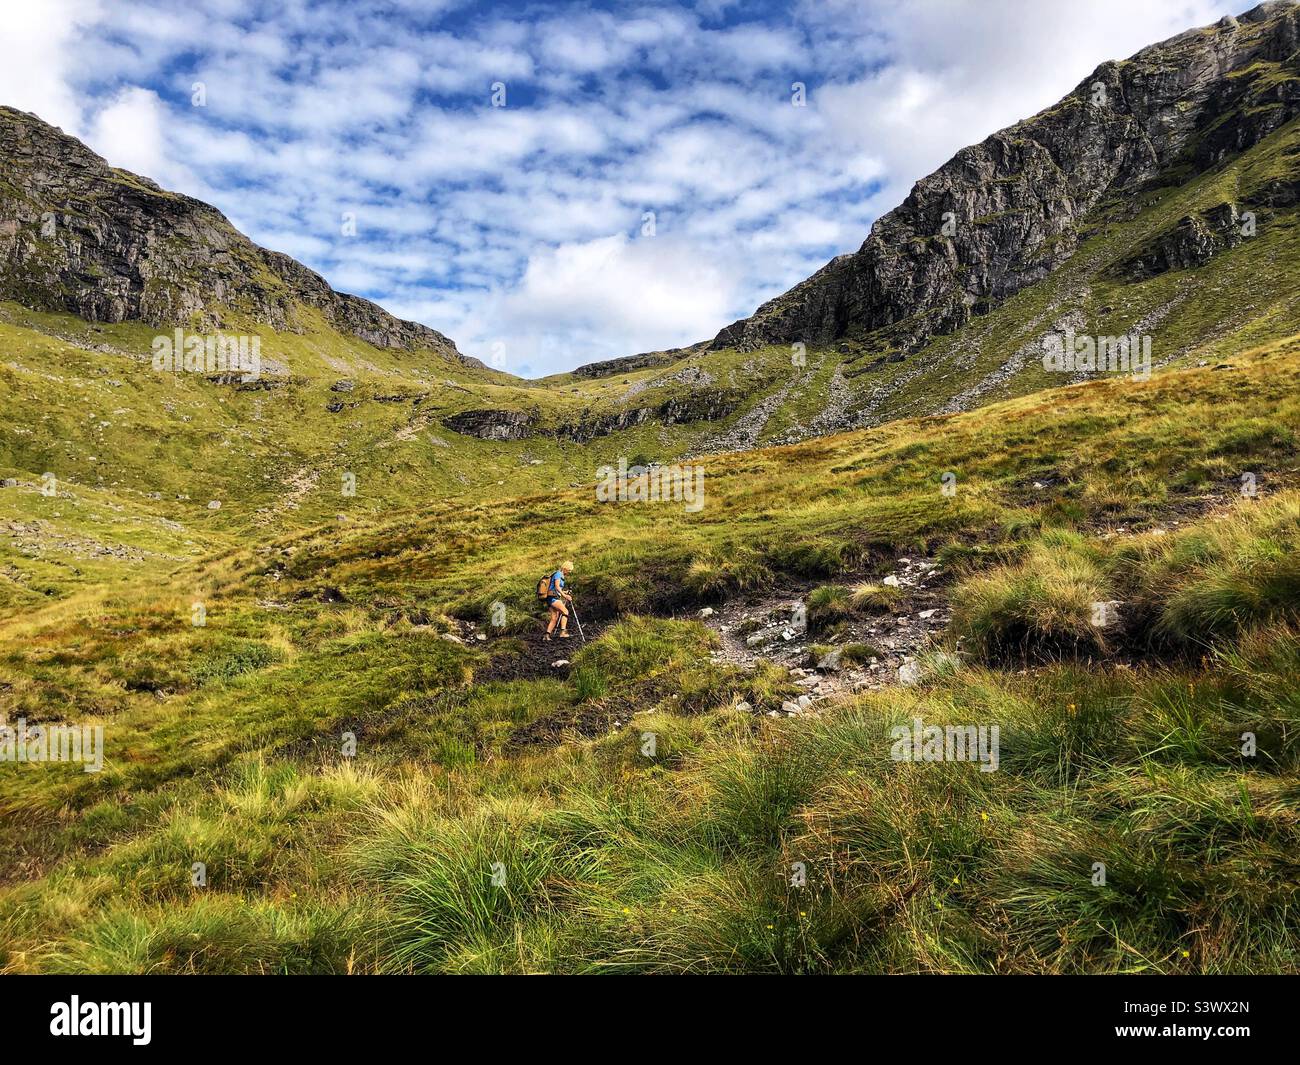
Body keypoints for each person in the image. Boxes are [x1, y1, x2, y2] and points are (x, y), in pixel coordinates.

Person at [543, 560, 574, 640]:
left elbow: (557, 589)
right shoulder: (558, 574)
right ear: (565, 568)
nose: (569, 572)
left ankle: (546, 636)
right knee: (565, 611)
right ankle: (563, 632)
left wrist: (565, 592)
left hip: (551, 597)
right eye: (569, 570)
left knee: (554, 617)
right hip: (553, 598)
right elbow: (557, 587)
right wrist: (565, 596)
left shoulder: (560, 575)